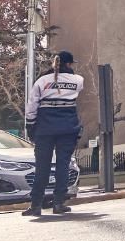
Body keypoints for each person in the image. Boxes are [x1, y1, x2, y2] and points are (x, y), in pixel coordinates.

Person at [22, 51, 83, 217]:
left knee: (42, 167)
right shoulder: (78, 80)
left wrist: (30, 126)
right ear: (69, 64)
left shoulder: (42, 81)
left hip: (45, 129)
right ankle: (58, 203)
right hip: (68, 129)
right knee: (62, 165)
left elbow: (32, 106)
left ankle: (35, 205)